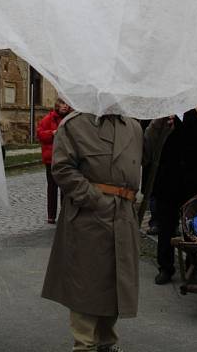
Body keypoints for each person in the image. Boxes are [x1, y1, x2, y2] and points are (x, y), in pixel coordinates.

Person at [42, 112, 144, 352]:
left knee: (114, 282)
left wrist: (161, 128)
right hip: (89, 218)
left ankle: (106, 342)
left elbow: (144, 157)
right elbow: (62, 169)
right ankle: (85, 345)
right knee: (85, 286)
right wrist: (95, 199)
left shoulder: (132, 126)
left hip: (122, 217)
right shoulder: (74, 125)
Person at [145, 110, 197, 285]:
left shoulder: (193, 116)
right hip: (167, 181)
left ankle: (194, 266)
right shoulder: (161, 115)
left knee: (192, 226)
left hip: (191, 181)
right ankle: (165, 267)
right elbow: (151, 147)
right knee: (166, 226)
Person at [37, 98, 72, 224]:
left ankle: (64, 213)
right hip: (51, 159)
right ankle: (51, 215)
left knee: (65, 187)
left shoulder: (70, 119)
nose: (65, 106)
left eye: (67, 104)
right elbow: (40, 134)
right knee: (52, 187)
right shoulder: (48, 118)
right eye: (62, 103)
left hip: (66, 158)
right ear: (57, 105)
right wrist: (52, 133)